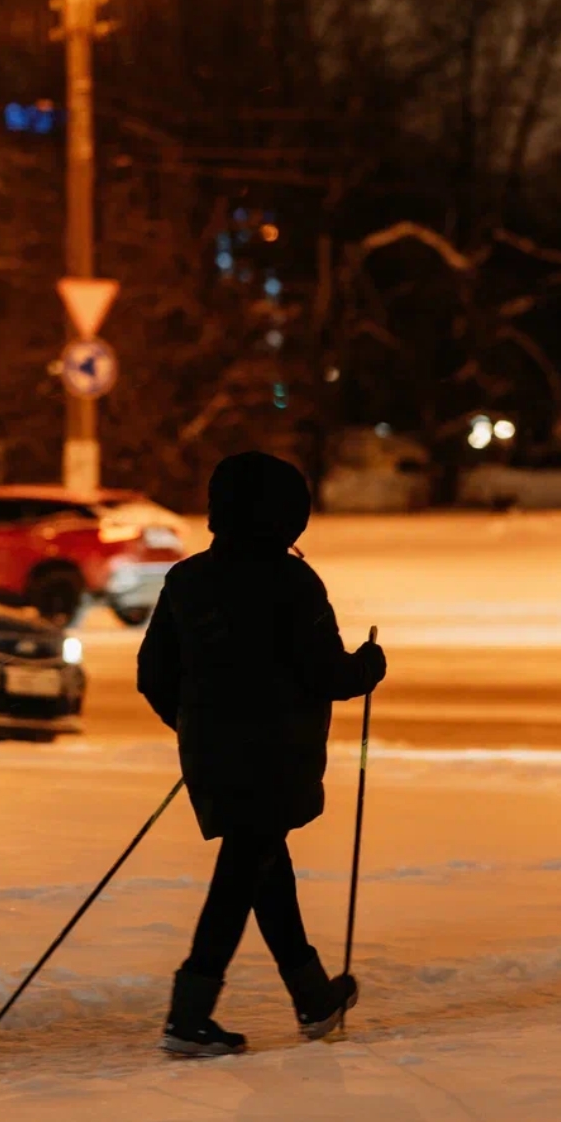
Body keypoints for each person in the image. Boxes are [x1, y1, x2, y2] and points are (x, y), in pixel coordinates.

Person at [137, 451, 387, 1057]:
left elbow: (153, 674)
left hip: (212, 755)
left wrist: (197, 726)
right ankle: (188, 1017)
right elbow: (327, 672)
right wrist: (369, 667)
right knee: (243, 873)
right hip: (276, 758)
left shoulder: (187, 580)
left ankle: (312, 997)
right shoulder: (291, 582)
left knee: (262, 865)